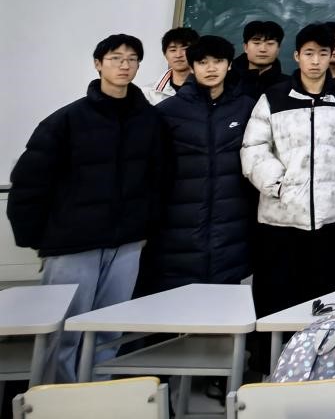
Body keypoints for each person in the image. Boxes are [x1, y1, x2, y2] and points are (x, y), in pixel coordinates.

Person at [8, 34, 165, 383]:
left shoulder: (150, 120)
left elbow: (158, 179)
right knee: (62, 332)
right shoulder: (66, 120)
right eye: (115, 58)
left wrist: (146, 227)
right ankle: (55, 400)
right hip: (73, 244)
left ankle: (96, 396)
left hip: (126, 244)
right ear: (98, 64)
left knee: (109, 329)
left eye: (132, 59)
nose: (124, 65)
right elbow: (30, 182)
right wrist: (38, 238)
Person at [240, 23, 335, 334]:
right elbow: (254, 147)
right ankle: (270, 356)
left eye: (322, 54)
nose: (315, 61)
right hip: (279, 217)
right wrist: (278, 185)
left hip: (327, 217)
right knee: (275, 293)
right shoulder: (274, 96)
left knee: (320, 293)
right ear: (297, 55)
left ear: (331, 56)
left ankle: (316, 354)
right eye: (309, 53)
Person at [149, 35, 256, 292]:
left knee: (224, 298)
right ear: (192, 66)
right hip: (179, 226)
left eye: (218, 61)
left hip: (231, 224)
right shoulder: (168, 111)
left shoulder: (247, 108)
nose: (211, 68)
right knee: (176, 299)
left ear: (229, 64)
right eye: (203, 62)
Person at [231, 20, 286, 100]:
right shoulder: (224, 81)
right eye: (256, 43)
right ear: (245, 47)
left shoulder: (289, 86)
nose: (263, 49)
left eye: (270, 44)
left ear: (278, 49)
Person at [145, 27, 199, 104]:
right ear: (165, 55)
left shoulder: (210, 89)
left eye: (185, 49)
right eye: (173, 50)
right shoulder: (148, 93)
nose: (178, 55)